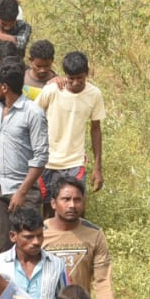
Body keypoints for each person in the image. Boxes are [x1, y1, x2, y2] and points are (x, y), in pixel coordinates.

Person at [0, 60, 48, 252]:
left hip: (22, 190)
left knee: (28, 244)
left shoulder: (33, 113)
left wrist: (22, 192)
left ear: (4, 87)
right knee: (3, 244)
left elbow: (41, 156)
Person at [43, 178, 114, 299]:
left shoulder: (94, 234)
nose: (72, 205)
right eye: (66, 199)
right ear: (53, 203)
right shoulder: (40, 233)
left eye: (77, 200)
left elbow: (102, 280)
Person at [35, 51, 106, 196]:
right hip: (47, 161)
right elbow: (32, 118)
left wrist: (98, 167)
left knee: (76, 208)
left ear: (87, 73)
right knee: (50, 208)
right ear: (64, 75)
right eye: (71, 78)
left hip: (75, 162)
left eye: (80, 78)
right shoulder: (52, 91)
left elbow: (96, 129)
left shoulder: (94, 94)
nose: (75, 83)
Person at [0, 207, 68, 299]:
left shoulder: (57, 264)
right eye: (28, 237)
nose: (36, 242)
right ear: (13, 236)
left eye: (40, 236)